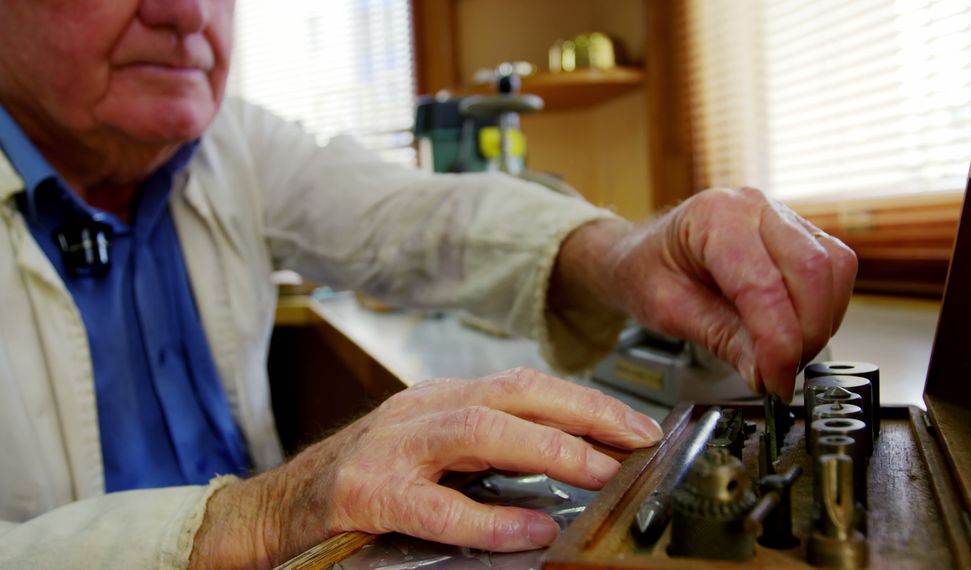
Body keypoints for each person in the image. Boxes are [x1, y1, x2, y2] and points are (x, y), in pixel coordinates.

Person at [0, 0, 857, 568]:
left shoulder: (229, 145)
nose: (184, 12)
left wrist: (623, 255)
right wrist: (260, 515)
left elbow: (419, 221)